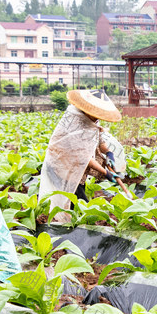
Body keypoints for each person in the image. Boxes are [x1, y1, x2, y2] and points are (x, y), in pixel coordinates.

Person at [39, 89, 126, 223]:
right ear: (87, 110)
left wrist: (109, 153)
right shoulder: (74, 121)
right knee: (77, 201)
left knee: (74, 200)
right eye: (96, 114)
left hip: (78, 170)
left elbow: (99, 138)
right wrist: (106, 173)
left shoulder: (91, 120)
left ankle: (71, 224)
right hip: (62, 167)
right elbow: (83, 157)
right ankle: (72, 226)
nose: (98, 118)